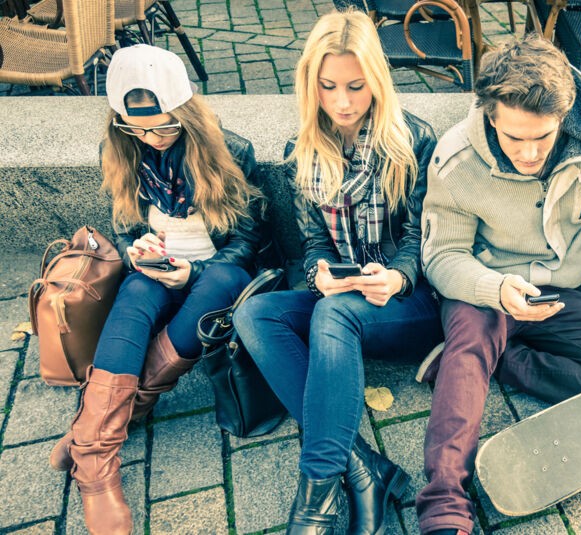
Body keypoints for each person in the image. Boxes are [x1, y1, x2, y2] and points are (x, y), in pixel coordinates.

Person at [415, 34, 581, 535]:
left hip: (563, 292)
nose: (530, 152)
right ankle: (443, 503)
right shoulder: (455, 161)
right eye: (515, 138)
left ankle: (499, 361)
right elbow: (441, 257)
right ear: (491, 115)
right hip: (484, 288)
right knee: (469, 349)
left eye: (543, 137)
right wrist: (495, 290)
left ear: (565, 114)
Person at [232, 10, 442, 535]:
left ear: (377, 79)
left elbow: (425, 236)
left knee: (331, 316)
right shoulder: (303, 150)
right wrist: (318, 274)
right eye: (328, 86)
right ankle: (363, 465)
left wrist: (395, 277)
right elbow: (314, 241)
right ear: (311, 84)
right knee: (256, 314)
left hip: (410, 305)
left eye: (356, 85)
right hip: (344, 303)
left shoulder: (414, 140)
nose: (343, 102)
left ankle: (318, 491)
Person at [47, 44, 263, 534]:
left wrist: (191, 275)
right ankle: (97, 466)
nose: (151, 137)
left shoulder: (231, 150)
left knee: (224, 281)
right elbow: (123, 227)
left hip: (214, 272)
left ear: (185, 112)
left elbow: (249, 240)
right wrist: (136, 250)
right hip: (158, 266)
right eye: (136, 127)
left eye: (163, 126)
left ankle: (91, 432)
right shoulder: (119, 148)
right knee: (136, 294)